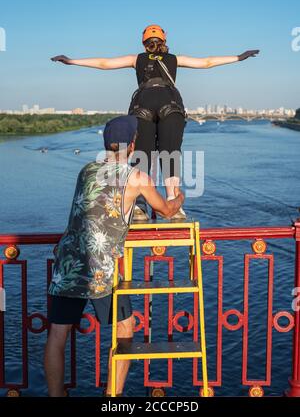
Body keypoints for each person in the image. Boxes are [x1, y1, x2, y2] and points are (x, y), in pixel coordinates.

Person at [51, 25, 259, 220]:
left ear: (144, 43)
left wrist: (71, 61)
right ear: (164, 40)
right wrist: (239, 57)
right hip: (171, 103)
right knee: (170, 152)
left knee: (142, 152)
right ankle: (171, 200)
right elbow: (207, 62)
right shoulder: (174, 59)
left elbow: (104, 63)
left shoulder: (136, 58)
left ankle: (140, 204)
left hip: (143, 104)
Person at [44, 115, 184, 397]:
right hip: (100, 269)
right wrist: (178, 198)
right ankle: (113, 396)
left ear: (107, 144)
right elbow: (166, 211)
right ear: (132, 146)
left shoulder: (85, 170)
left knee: (57, 336)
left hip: (67, 262)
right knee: (125, 327)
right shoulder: (137, 177)